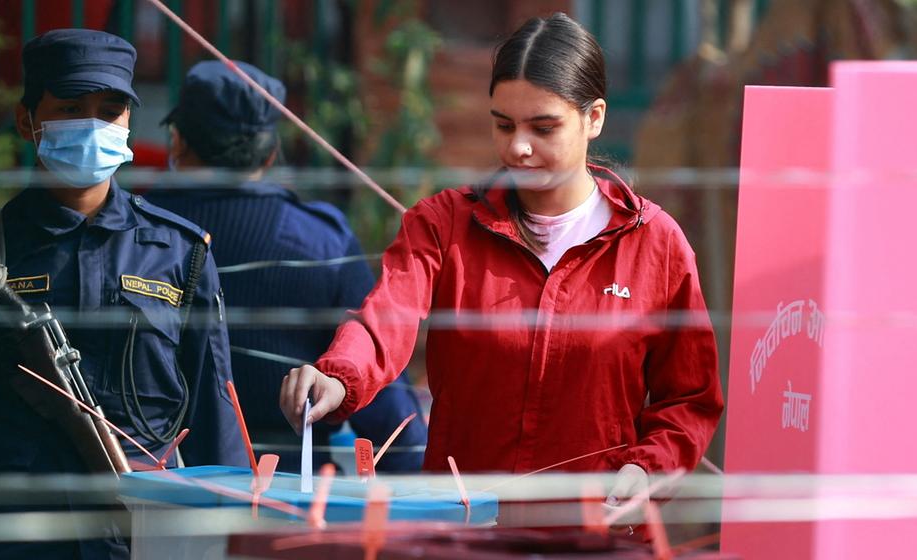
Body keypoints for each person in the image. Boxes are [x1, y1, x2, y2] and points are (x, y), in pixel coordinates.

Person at [279, 12, 724, 513]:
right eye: (503, 125)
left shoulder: (653, 243)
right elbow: (386, 317)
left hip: (594, 529)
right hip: (463, 525)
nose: (518, 147)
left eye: (544, 127)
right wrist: (339, 375)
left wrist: (647, 468)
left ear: (594, 117)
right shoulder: (443, 224)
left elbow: (690, 397)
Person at [0, 29, 245, 559]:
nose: (93, 125)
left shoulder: (180, 254)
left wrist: (230, 538)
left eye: (110, 111)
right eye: (70, 108)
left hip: (137, 537)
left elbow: (214, 415)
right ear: (27, 120)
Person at [146, 60, 427, 472]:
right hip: (292, 489)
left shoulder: (137, 232)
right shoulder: (321, 240)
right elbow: (387, 408)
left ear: (177, 141)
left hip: (164, 485)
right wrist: (410, 476)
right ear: (271, 152)